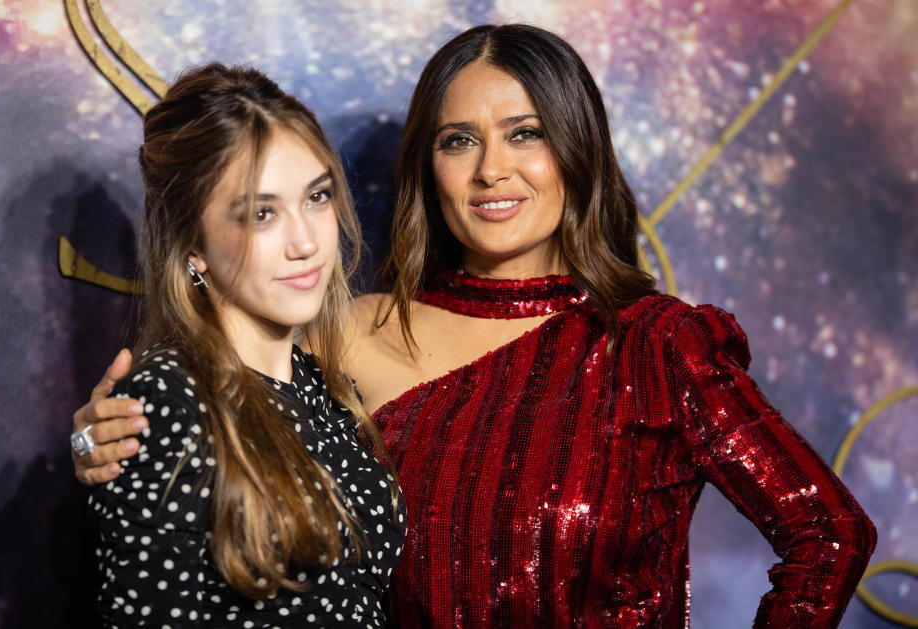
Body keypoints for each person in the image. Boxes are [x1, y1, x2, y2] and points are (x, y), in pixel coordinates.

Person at [72, 25, 875, 628]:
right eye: (460, 141)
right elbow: (217, 410)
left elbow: (829, 534)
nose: (493, 169)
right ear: (430, 164)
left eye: (525, 133)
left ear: (576, 146)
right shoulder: (348, 330)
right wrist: (96, 438)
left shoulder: (656, 345)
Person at [78, 62, 405, 628]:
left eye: (317, 197)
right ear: (192, 245)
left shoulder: (325, 388)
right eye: (262, 213)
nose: (306, 242)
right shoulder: (167, 403)